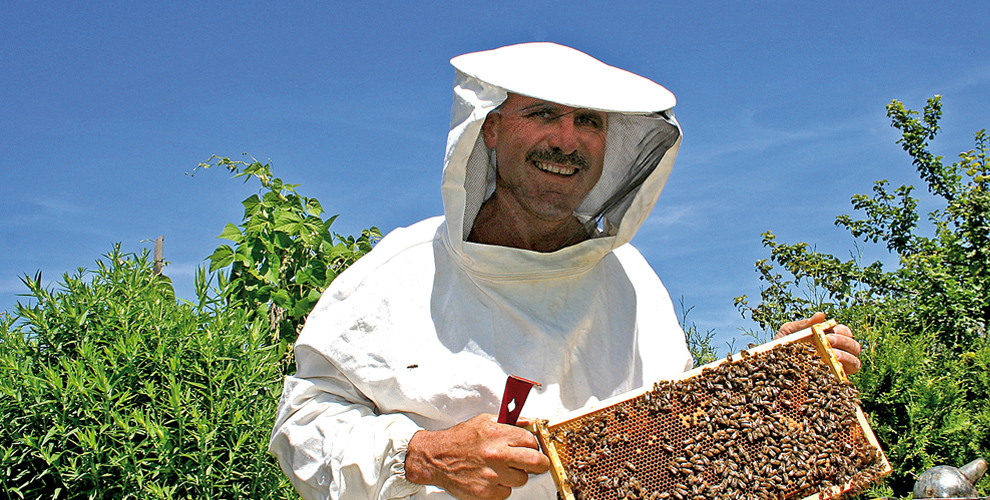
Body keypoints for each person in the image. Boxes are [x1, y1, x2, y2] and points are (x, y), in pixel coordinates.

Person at [268, 42, 862, 500]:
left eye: (590, 122)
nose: (567, 140)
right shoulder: (401, 271)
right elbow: (304, 424)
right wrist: (419, 455)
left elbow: (685, 440)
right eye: (544, 114)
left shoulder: (631, 281)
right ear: (491, 129)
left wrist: (786, 387)